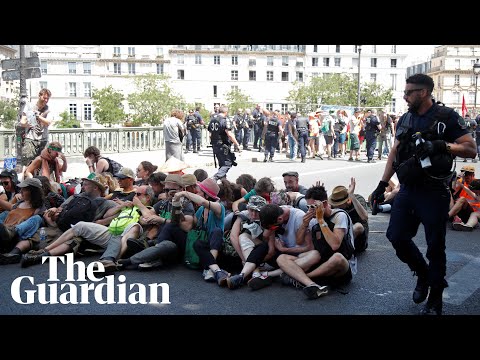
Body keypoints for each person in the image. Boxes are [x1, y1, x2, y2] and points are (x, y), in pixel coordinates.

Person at [370, 73, 477, 315]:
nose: (404, 96)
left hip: (434, 191)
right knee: (396, 237)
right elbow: (395, 151)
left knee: (435, 247)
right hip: (407, 190)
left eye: (409, 92)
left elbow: (471, 148)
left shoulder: (446, 117)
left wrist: (442, 145)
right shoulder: (406, 117)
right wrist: (381, 184)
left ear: (424, 92)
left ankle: (435, 300)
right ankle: (424, 274)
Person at [19, 88, 52, 169]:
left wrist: (38, 116)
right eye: (44, 98)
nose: (46, 100)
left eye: (48, 98)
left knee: (44, 164)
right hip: (30, 138)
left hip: (43, 140)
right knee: (28, 163)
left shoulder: (48, 108)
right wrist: (27, 124)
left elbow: (48, 122)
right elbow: (22, 122)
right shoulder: (29, 106)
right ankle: (27, 180)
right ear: (39, 96)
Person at [207, 105, 241, 181]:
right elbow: (229, 134)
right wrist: (237, 144)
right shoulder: (225, 120)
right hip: (222, 144)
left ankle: (224, 184)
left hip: (215, 144)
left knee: (222, 164)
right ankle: (214, 178)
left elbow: (210, 133)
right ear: (226, 112)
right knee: (227, 163)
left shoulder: (213, 120)